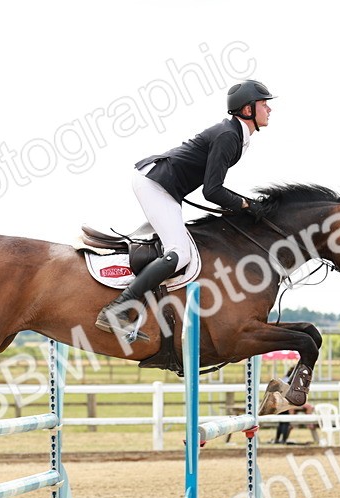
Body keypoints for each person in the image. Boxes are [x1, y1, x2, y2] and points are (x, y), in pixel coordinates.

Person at [95, 79, 276, 342]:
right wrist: (246, 204)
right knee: (179, 253)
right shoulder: (229, 136)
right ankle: (117, 310)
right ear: (248, 109)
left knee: (178, 248)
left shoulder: (235, 136)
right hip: (156, 184)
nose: (269, 109)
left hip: (163, 185)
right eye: (264, 104)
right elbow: (212, 191)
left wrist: (244, 203)